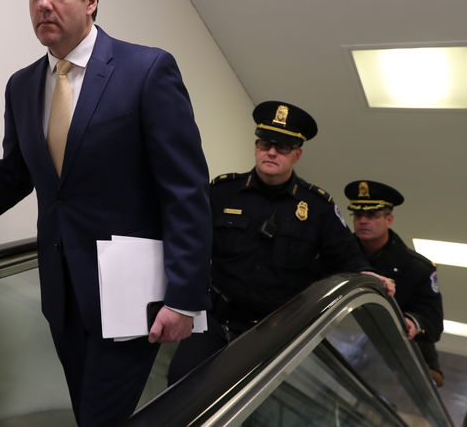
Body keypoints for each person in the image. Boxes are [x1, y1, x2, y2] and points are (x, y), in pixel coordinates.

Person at [0, 0, 211, 426]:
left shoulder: (146, 71)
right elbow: (13, 175)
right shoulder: (23, 85)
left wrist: (185, 297)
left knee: (99, 417)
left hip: (130, 294)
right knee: (85, 412)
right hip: (63, 295)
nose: (43, 2)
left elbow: (185, 191)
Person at [167, 101, 394, 384]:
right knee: (178, 386)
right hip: (212, 319)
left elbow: (347, 257)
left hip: (269, 333)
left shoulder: (318, 207)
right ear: (256, 146)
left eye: (283, 147)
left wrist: (366, 275)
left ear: (297, 154)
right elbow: (190, 241)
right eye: (265, 144)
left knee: (237, 405)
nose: (271, 152)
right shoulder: (224, 191)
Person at [344, 180, 444, 386]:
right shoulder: (337, 253)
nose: (363, 221)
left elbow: (433, 324)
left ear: (389, 219)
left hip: (393, 354)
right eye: (358, 215)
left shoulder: (418, 268)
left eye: (372, 215)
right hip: (345, 340)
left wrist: (413, 323)